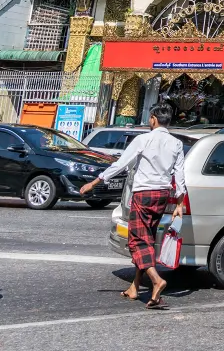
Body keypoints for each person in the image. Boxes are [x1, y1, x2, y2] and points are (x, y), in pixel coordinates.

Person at [80, 105, 186, 308]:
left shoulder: (143, 139)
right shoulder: (176, 144)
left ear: (153, 119)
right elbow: (179, 175)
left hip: (144, 194)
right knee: (147, 239)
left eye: (150, 118)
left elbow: (121, 164)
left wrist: (95, 182)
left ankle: (156, 280)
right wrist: (180, 203)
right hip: (162, 196)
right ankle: (135, 287)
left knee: (137, 241)